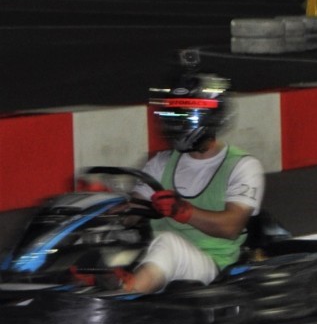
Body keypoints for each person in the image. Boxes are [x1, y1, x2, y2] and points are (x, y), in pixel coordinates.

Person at [82, 67, 265, 294]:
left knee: (169, 244)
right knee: (105, 237)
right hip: (156, 256)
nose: (177, 123)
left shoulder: (242, 166)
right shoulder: (162, 163)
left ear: (210, 117)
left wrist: (184, 212)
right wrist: (107, 206)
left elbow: (231, 227)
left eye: (184, 115)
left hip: (214, 264)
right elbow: (133, 213)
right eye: (173, 114)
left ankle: (125, 294)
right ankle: (76, 282)